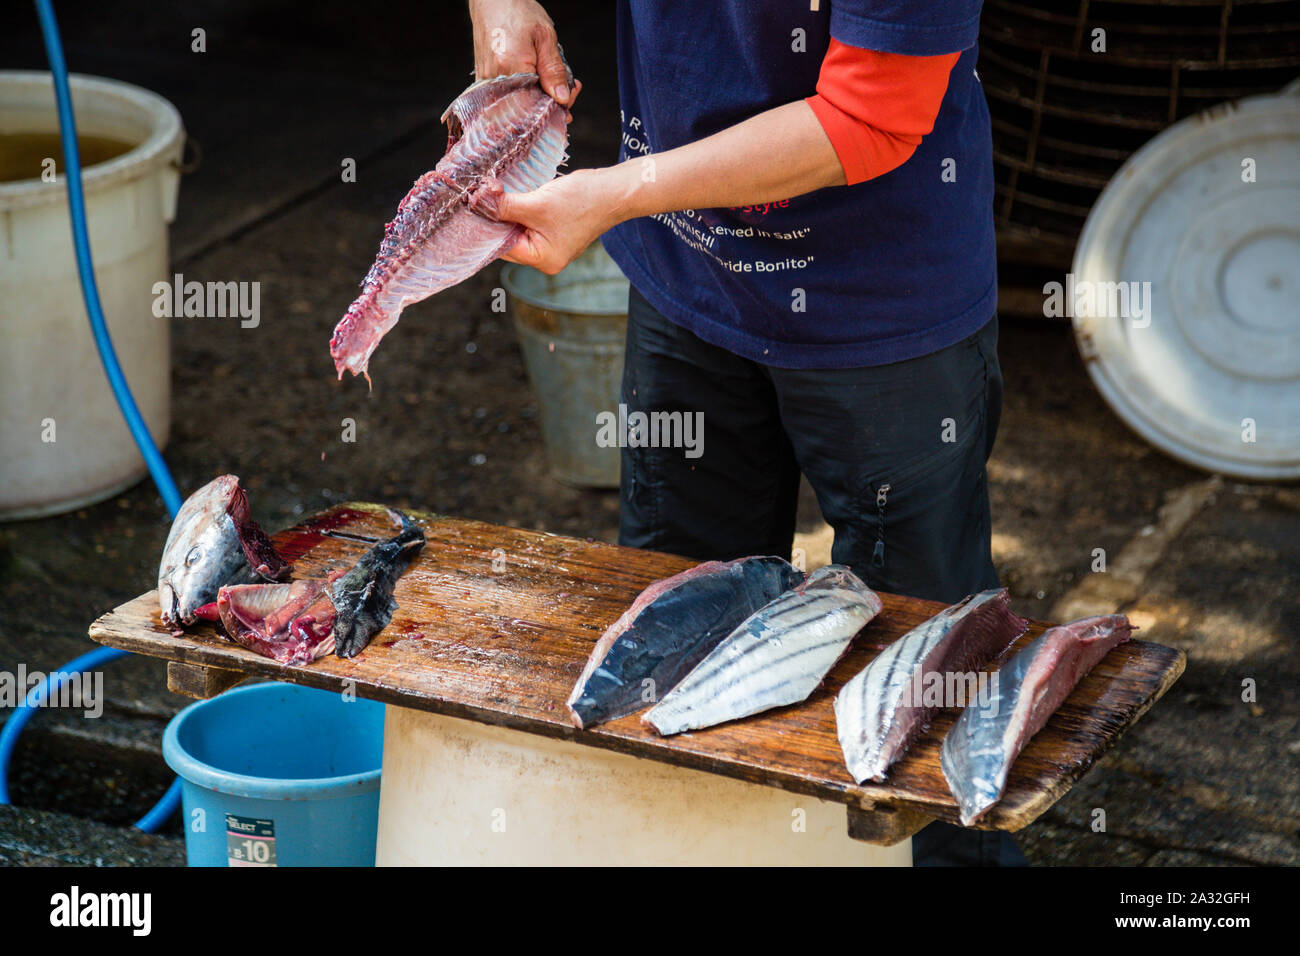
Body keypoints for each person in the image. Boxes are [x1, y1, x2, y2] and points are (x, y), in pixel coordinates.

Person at [467, 0, 1026, 866]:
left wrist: (617, 195)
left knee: (924, 686)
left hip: (882, 309)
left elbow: (869, 116)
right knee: (668, 640)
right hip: (685, 270)